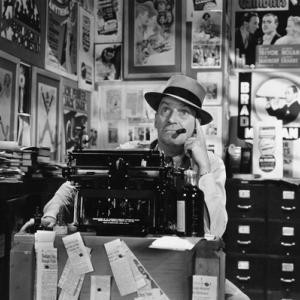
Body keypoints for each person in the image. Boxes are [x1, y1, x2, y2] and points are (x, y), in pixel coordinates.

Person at [40, 74, 249, 300]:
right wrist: (52, 211)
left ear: (196, 126)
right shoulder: (129, 153)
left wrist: (204, 168)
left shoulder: (212, 165)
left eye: (184, 112)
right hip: (132, 257)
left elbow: (216, 230)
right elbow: (76, 182)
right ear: (156, 119)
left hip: (186, 263)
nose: (172, 118)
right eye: (165, 110)